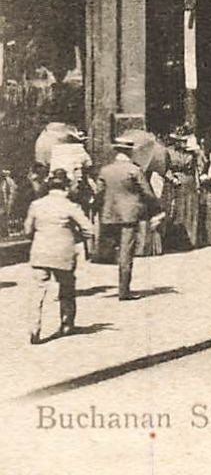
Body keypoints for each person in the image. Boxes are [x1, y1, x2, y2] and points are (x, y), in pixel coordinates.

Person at [24, 168, 94, 344]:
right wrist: (74, 236)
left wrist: (39, 235)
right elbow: (89, 230)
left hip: (40, 252)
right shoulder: (71, 206)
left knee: (38, 292)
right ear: (66, 187)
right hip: (64, 253)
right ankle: (66, 324)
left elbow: (27, 230)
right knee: (67, 288)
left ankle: (35, 329)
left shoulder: (36, 205)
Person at [98, 133, 160, 300]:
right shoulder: (134, 170)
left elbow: (98, 193)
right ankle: (124, 291)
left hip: (109, 215)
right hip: (129, 216)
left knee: (113, 249)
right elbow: (147, 193)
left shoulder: (105, 170)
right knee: (126, 252)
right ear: (130, 152)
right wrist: (156, 209)